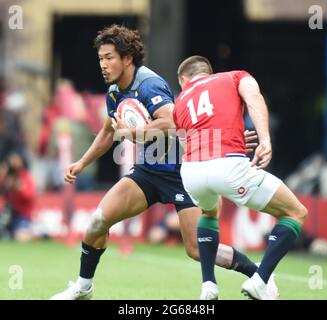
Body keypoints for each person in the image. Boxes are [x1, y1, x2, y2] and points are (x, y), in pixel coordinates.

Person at [50, 25, 278, 300]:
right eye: (100, 58)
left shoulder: (149, 84)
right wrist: (82, 162)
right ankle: (83, 287)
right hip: (148, 170)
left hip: (182, 170)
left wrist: (133, 133)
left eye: (109, 57)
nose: (103, 64)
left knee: (196, 249)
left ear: (127, 58)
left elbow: (171, 122)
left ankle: (258, 274)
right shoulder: (114, 91)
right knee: (99, 220)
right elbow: (110, 130)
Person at [173, 55, 308, 300]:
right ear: (208, 72)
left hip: (191, 172)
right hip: (228, 167)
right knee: (295, 212)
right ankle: (260, 278)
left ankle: (209, 286)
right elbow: (254, 98)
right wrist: (265, 139)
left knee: (209, 212)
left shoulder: (180, 101)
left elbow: (189, 145)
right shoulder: (235, 76)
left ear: (184, 80)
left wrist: (228, 141)